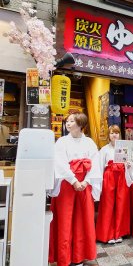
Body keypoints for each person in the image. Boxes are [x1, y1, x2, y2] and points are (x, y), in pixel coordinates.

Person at [49, 112, 102, 266]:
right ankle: (64, 258)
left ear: (80, 124)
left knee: (82, 220)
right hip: (67, 184)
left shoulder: (90, 143)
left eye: (72, 121)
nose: (68, 123)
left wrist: (86, 181)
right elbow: (59, 163)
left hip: (84, 185)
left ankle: (79, 256)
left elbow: (95, 163)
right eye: (68, 121)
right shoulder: (61, 142)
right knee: (65, 220)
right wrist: (73, 180)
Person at [96, 125, 133, 244]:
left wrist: (128, 164)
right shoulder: (104, 150)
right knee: (108, 205)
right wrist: (99, 185)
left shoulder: (125, 148)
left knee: (121, 204)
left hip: (121, 177)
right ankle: (107, 234)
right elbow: (99, 167)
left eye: (116, 132)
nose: (114, 135)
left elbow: (131, 165)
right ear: (108, 135)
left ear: (119, 134)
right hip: (109, 177)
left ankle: (118, 233)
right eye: (112, 133)